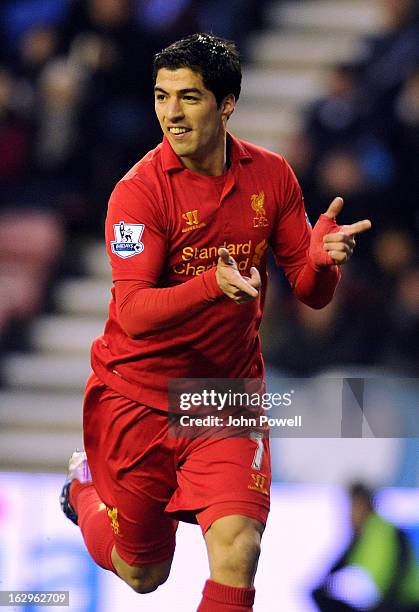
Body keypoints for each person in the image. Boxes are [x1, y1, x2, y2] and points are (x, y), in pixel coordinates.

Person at [59, 33, 371, 611]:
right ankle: (83, 492)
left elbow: (310, 291)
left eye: (189, 98)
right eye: (161, 96)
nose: (171, 114)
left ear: (227, 104)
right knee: (143, 571)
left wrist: (323, 261)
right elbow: (131, 311)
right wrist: (210, 286)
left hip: (224, 395)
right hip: (138, 397)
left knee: (239, 548)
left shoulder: (273, 177)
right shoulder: (138, 194)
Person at [312, 483, 419, 612]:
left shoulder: (388, 531)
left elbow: (401, 569)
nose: (351, 513)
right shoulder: (360, 536)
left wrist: (383, 604)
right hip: (386, 602)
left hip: (407, 601)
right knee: (320, 597)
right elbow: (335, 568)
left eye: (356, 506)